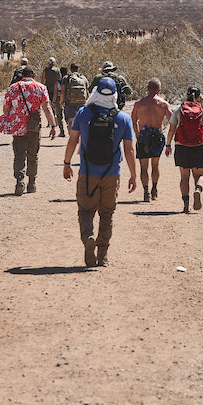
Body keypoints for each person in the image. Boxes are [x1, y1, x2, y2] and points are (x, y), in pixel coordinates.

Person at [62, 77, 137, 267]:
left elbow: (72, 141)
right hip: (112, 174)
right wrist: (134, 175)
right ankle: (102, 254)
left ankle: (88, 237)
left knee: (86, 210)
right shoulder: (123, 118)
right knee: (107, 212)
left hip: (88, 173)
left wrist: (67, 163)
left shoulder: (83, 113)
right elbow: (129, 149)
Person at [0, 66, 57, 194]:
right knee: (33, 155)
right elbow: (47, 108)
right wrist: (53, 125)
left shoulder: (13, 88)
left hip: (18, 127)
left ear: (22, 76)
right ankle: (32, 184)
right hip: (34, 127)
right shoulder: (40, 88)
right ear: (34, 76)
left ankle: (19, 182)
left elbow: (5, 108)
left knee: (19, 155)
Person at [165, 86, 203, 213]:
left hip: (181, 146)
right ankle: (198, 189)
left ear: (186, 95)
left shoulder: (178, 109)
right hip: (198, 146)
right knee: (199, 175)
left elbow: (171, 129)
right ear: (199, 96)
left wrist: (168, 145)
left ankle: (186, 204)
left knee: (184, 177)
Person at [131, 78, 172, 202]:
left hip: (144, 134)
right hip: (157, 134)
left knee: (144, 167)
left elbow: (133, 120)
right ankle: (154, 189)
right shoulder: (164, 104)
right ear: (159, 90)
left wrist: (137, 133)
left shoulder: (139, 103)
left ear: (148, 89)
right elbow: (172, 120)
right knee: (155, 164)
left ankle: (146, 192)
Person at [60, 62, 89, 128]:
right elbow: (87, 91)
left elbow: (63, 91)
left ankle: (72, 137)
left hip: (69, 101)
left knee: (71, 121)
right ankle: (79, 137)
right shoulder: (83, 78)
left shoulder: (66, 78)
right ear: (78, 69)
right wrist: (87, 102)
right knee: (81, 120)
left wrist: (61, 102)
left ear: (70, 69)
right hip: (81, 101)